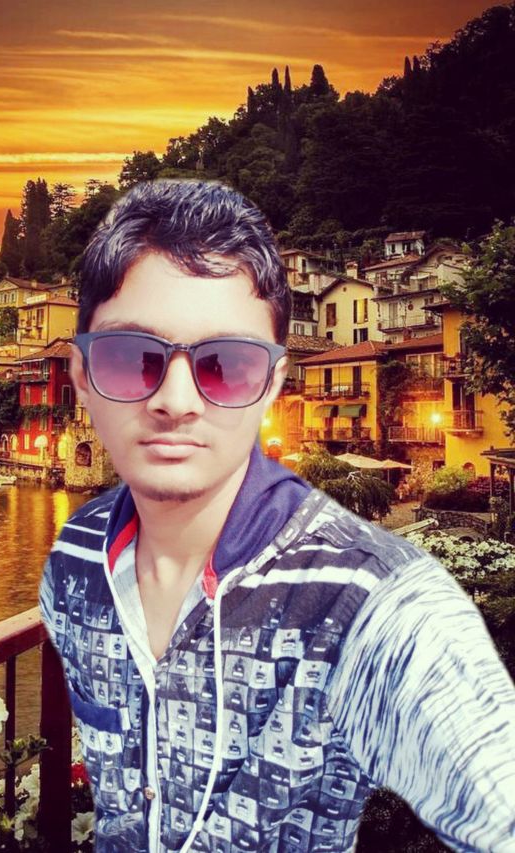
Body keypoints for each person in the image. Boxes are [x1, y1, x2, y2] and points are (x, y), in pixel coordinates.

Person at [39, 179, 515, 852]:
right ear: (82, 377)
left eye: (225, 365)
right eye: (131, 357)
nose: (177, 400)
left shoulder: (372, 603)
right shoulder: (74, 562)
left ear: (273, 384)